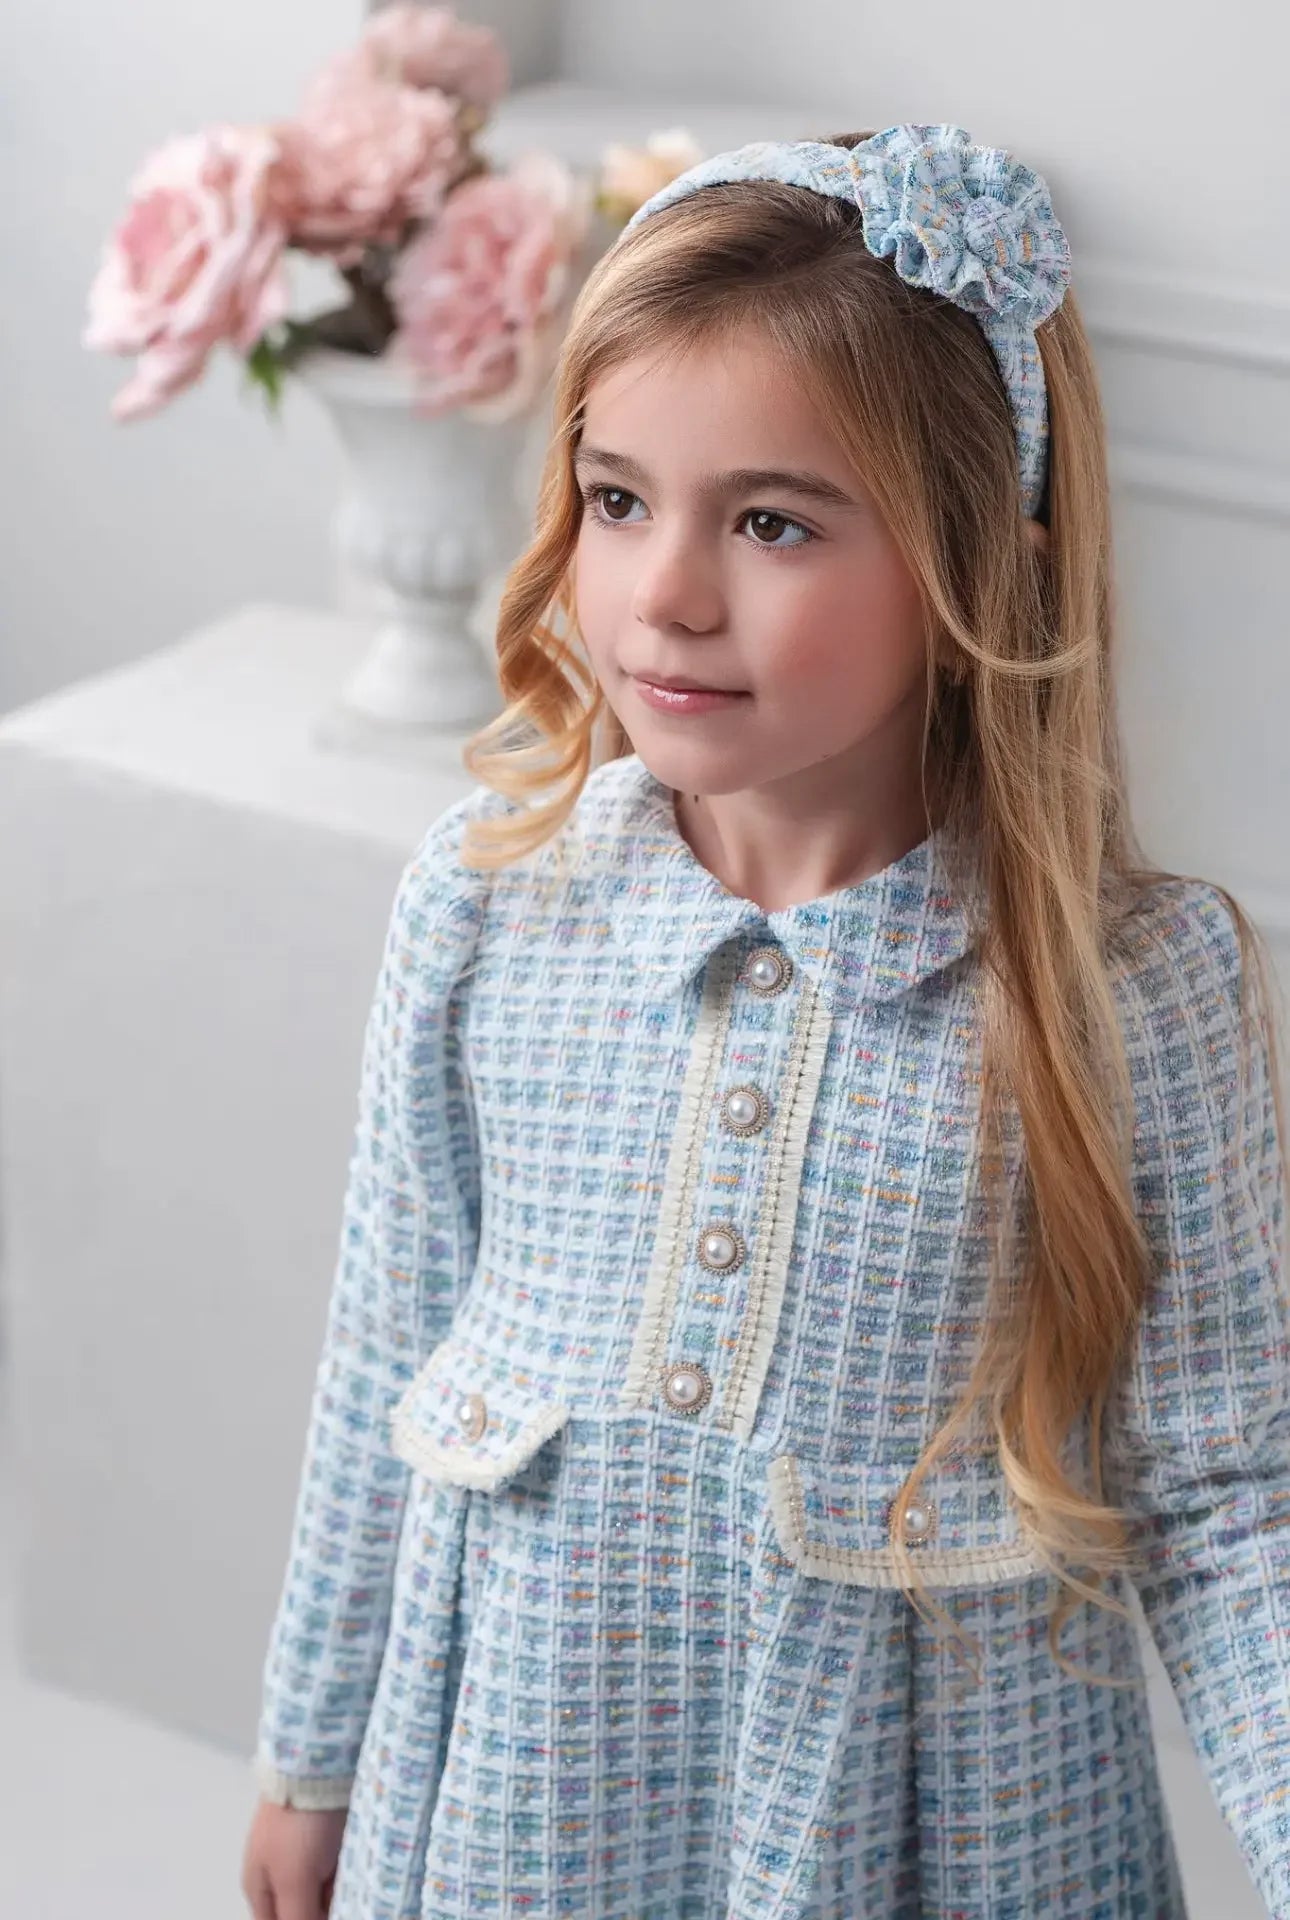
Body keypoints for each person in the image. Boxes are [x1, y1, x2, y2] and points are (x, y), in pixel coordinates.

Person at [240, 125, 1289, 1920]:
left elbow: (1228, 1494)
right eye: (617, 499)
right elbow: (383, 1350)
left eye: (771, 523)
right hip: (525, 1789)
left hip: (943, 1826)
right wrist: (309, 1754)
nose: (665, 593)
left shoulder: (1123, 986)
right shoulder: (489, 910)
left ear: (978, 565)